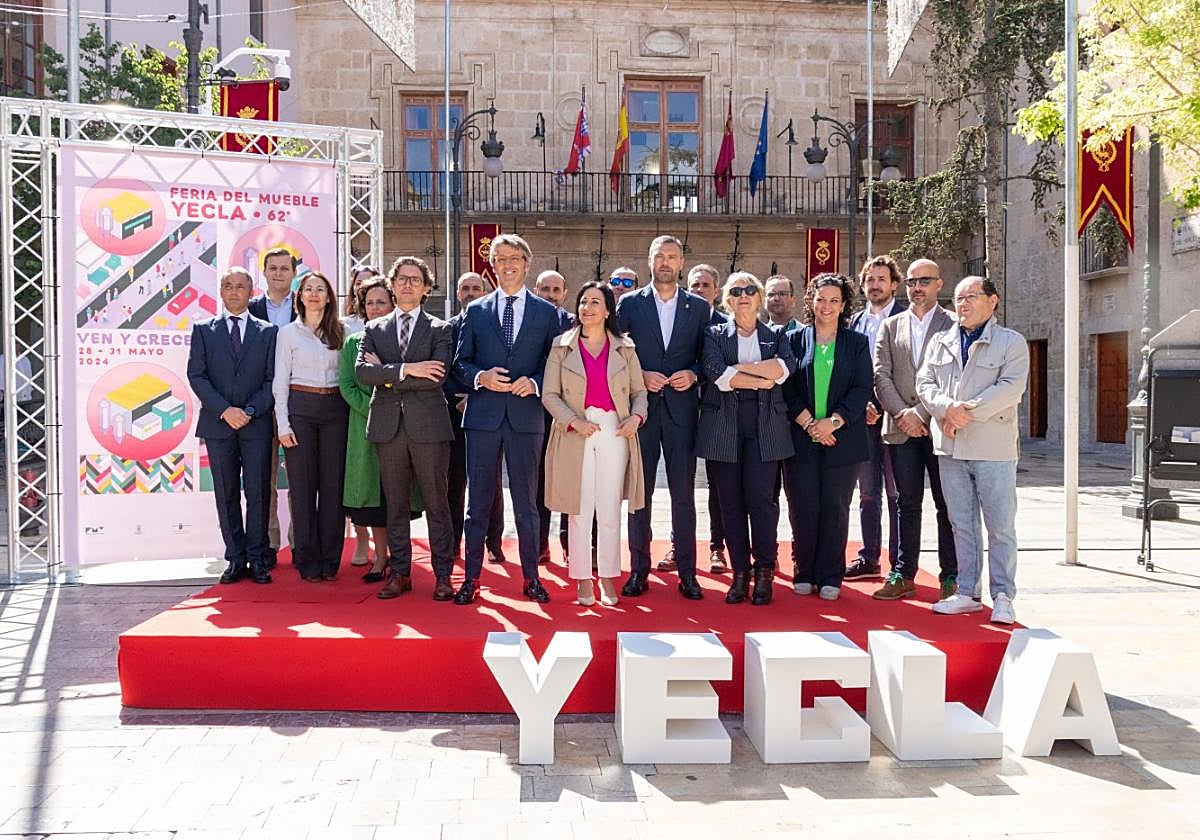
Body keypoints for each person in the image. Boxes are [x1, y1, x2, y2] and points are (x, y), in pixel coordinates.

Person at [452, 233, 560, 605]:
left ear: (527, 264)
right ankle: (471, 578)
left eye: (514, 258)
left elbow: (557, 367)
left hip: (526, 418)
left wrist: (534, 383)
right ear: (492, 266)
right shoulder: (475, 310)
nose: (508, 264)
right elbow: (459, 364)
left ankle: (531, 578)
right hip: (482, 419)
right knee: (477, 503)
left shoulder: (548, 313)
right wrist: (480, 377)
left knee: (527, 504)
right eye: (500, 259)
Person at [917, 276, 1029, 625]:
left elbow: (1010, 388)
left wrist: (964, 413)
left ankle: (1003, 596)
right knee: (961, 523)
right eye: (959, 298)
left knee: (1000, 526)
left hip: (992, 448)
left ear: (992, 301)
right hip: (950, 448)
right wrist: (946, 408)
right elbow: (925, 383)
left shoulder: (1011, 343)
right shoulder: (941, 341)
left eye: (971, 297)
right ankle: (966, 591)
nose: (962, 304)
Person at [357, 256, 457, 601]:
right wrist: (408, 370)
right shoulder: (374, 328)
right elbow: (362, 374)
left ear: (426, 287)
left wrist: (387, 372)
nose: (408, 285)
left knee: (436, 503)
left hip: (429, 428)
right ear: (392, 284)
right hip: (388, 429)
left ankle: (444, 575)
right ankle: (400, 573)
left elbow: (437, 377)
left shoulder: (441, 329)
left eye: (415, 280)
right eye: (402, 279)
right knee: (395, 505)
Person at [543, 281, 648, 606]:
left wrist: (636, 417)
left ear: (607, 310)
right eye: (583, 301)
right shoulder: (562, 346)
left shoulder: (624, 348)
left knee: (609, 508)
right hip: (577, 430)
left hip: (615, 430)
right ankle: (582, 579)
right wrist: (573, 421)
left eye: (594, 302)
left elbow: (639, 392)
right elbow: (549, 394)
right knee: (579, 508)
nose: (586, 308)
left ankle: (607, 576)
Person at [615, 235, 708, 600]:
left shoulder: (699, 308)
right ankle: (639, 570)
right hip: (643, 412)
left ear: (682, 262)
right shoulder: (629, 305)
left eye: (672, 256)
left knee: (684, 496)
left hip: (683, 412)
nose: (666, 262)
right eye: (659, 256)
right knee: (640, 495)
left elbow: (709, 354)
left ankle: (688, 572)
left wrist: (695, 373)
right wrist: (640, 376)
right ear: (649, 260)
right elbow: (618, 355)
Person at [697, 272, 795, 606]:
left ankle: (764, 570)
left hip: (765, 425)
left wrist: (739, 371)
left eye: (750, 290)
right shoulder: (713, 334)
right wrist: (759, 375)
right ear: (727, 299)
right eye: (736, 290)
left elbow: (783, 369)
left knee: (762, 502)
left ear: (760, 297)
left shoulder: (777, 335)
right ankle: (740, 572)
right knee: (730, 503)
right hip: (724, 423)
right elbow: (716, 374)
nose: (744, 295)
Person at [871, 258, 958, 600]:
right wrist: (903, 413)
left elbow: (955, 377)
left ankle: (951, 576)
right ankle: (903, 572)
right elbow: (881, 375)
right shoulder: (891, 326)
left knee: (946, 504)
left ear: (939, 284)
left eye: (924, 280)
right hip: (900, 428)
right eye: (911, 281)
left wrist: (921, 413)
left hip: (939, 427)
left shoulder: (953, 324)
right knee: (905, 502)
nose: (917, 287)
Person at [782, 273, 873, 601]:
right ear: (811, 302)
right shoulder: (793, 340)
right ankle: (804, 570)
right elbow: (787, 388)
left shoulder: (856, 343)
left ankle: (831, 574)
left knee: (835, 507)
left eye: (835, 300)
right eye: (821, 299)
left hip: (842, 439)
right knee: (802, 506)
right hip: (801, 438)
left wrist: (832, 423)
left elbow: (862, 387)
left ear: (844, 304)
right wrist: (810, 424)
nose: (827, 306)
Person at [187, 267, 278, 585]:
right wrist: (226, 410)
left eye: (241, 286)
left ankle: (258, 558)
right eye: (228, 286)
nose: (234, 291)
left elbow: (272, 379)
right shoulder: (202, 330)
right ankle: (235, 559)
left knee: (258, 494)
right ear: (221, 291)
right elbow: (196, 376)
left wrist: (250, 410)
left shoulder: (268, 332)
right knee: (226, 494)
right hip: (218, 425)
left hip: (256, 425)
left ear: (251, 291)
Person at [273, 271, 348, 582]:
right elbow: (280, 382)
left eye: (320, 289)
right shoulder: (288, 334)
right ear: (299, 296)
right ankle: (305, 558)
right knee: (302, 489)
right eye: (308, 289)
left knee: (332, 489)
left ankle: (330, 560)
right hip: (300, 410)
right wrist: (282, 424)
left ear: (329, 296)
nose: (314, 294)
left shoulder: (342, 331)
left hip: (335, 410)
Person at [845, 255, 904, 581]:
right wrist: (861, 405)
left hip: (896, 418)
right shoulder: (854, 322)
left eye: (882, 279)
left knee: (897, 493)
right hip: (862, 418)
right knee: (868, 493)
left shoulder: (906, 318)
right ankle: (869, 558)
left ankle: (899, 562)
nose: (875, 285)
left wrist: (886, 406)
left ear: (893, 284)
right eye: (870, 279)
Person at [446, 272, 507, 566]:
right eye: (465, 288)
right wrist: (457, 398)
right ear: (458, 293)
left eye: (476, 288)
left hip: (487, 410)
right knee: (454, 481)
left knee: (491, 481)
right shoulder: (447, 328)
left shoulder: (492, 324)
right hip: (454, 414)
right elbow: (446, 368)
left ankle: (493, 542)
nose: (470, 292)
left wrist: (476, 394)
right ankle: (455, 540)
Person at [339, 276, 395, 584]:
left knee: (394, 495)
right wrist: (371, 408)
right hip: (365, 427)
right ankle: (380, 558)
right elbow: (346, 385)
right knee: (372, 498)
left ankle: (398, 558)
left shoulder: (403, 339)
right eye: (370, 302)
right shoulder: (352, 343)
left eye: (381, 302)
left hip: (400, 426)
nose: (375, 308)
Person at [249, 247, 298, 569]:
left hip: (298, 404)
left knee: (300, 480)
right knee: (262, 481)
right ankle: (268, 544)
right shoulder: (250, 309)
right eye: (273, 268)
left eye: (284, 268)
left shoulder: (308, 306)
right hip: (260, 406)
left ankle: (301, 543)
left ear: (294, 274)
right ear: (263, 273)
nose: (279, 273)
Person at [687, 263, 731, 574]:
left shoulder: (728, 326)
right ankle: (680, 545)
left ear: (716, 291)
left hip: (718, 415)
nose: (699, 291)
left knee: (717, 486)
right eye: (694, 286)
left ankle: (718, 547)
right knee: (681, 484)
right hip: (682, 411)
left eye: (705, 285)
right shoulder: (681, 320)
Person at [341, 263, 381, 569]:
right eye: (360, 285)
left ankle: (386, 546)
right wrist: (369, 408)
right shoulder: (347, 331)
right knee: (358, 479)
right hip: (356, 416)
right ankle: (361, 538)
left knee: (383, 482)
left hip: (393, 418)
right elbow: (346, 382)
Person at [534, 269, 575, 564]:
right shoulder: (530, 320)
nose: (550, 294)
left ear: (565, 293)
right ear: (536, 290)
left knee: (570, 480)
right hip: (537, 412)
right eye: (545, 289)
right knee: (539, 480)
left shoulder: (576, 323)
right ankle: (538, 544)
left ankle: (569, 543)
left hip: (571, 412)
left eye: (556, 289)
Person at [341, 264, 378, 337]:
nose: (362, 286)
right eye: (358, 283)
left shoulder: (389, 322)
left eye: (368, 282)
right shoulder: (344, 324)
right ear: (353, 289)